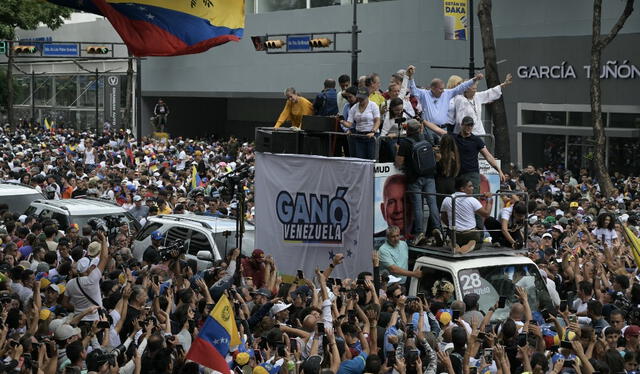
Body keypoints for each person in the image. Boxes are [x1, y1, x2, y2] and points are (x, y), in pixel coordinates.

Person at [395, 119, 443, 246]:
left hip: (414, 178)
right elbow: (437, 157)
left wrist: (397, 151)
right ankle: (438, 229)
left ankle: (419, 233)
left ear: (408, 130)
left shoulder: (405, 143)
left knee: (418, 206)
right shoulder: (426, 139)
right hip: (430, 176)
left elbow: (398, 163)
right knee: (432, 203)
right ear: (420, 129)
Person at [405, 64, 484, 129]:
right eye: (440, 89)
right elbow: (413, 90)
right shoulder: (424, 94)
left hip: (443, 128)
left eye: (443, 88)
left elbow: (461, 87)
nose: (443, 91)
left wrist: (474, 79)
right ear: (432, 88)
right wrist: (410, 77)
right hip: (429, 129)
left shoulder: (446, 93)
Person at [62, 232, 108, 321]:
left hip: (78, 319)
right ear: (88, 268)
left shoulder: (70, 283)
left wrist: (79, 309)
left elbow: (64, 303)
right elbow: (104, 258)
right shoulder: (92, 279)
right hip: (95, 319)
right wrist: (103, 240)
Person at [441, 177, 494, 253]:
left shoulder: (447, 199)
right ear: (462, 189)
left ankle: (453, 244)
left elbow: (443, 217)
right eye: (470, 186)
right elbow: (486, 214)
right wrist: (489, 199)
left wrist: (451, 226)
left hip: (454, 234)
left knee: (451, 238)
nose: (472, 188)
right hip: (470, 234)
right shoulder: (471, 200)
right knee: (479, 242)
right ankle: (471, 244)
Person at [454, 116, 505, 195]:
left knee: (473, 198)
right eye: (467, 125)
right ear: (462, 125)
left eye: (471, 125)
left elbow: (488, 156)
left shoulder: (476, 140)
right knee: (458, 200)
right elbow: (439, 131)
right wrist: (426, 122)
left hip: (472, 174)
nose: (469, 127)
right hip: (458, 174)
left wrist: (499, 170)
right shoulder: (455, 138)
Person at [340, 87, 380, 159]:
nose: (360, 100)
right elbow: (349, 124)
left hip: (372, 136)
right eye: (359, 98)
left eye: (362, 98)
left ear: (367, 97)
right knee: (360, 159)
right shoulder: (354, 108)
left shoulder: (373, 105)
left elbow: (377, 120)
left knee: (372, 159)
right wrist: (343, 122)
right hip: (359, 135)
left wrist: (373, 131)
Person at [435, 134, 460, 208]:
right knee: (451, 208)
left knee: (439, 208)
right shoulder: (455, 154)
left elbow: (436, 170)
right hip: (453, 182)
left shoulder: (440, 155)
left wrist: (437, 161)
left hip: (441, 184)